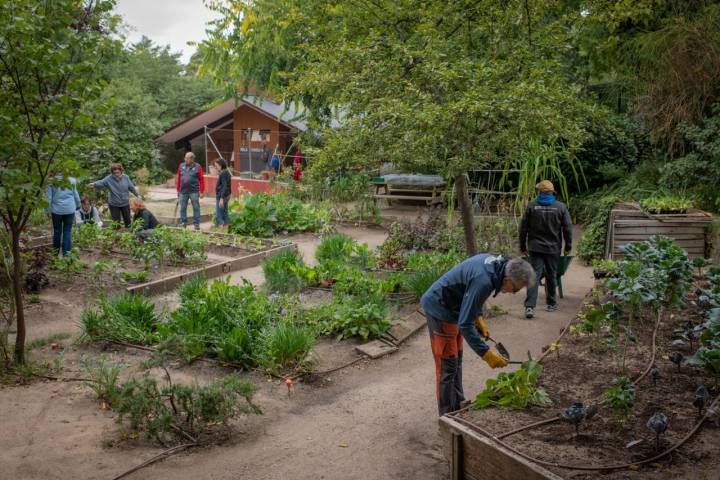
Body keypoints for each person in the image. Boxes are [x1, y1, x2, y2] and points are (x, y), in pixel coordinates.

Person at [421, 254, 536, 415]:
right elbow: (465, 325)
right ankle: (446, 415)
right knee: (448, 366)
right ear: (508, 280)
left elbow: (471, 292)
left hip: (454, 309)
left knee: (456, 361)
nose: (514, 293)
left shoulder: (498, 267)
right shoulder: (485, 280)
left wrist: (478, 316)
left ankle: (458, 405)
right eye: (516, 289)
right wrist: (486, 353)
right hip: (439, 307)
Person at [518, 180, 573, 319]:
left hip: (535, 247)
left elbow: (523, 228)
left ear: (540, 192)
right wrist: (568, 246)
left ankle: (530, 307)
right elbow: (567, 228)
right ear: (552, 192)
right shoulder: (560, 207)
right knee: (552, 274)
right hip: (553, 248)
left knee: (534, 276)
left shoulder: (532, 206)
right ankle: (551, 304)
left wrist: (523, 246)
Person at [88, 163, 141, 228]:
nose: (116, 174)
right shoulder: (108, 179)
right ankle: (117, 236)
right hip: (114, 204)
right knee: (116, 224)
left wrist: (137, 195)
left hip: (125, 203)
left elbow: (131, 187)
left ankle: (128, 234)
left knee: (128, 222)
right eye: (114, 173)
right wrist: (94, 184)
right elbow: (101, 182)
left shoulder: (126, 177)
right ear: (112, 173)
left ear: (121, 171)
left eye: (118, 172)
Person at [46, 173, 81, 256]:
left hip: (56, 211)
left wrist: (47, 211)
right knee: (67, 231)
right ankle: (66, 254)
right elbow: (75, 194)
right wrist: (78, 205)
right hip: (69, 209)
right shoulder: (72, 180)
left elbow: (48, 198)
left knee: (57, 231)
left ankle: (55, 254)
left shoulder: (51, 181)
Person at [175, 152, 205, 230]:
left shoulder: (198, 167)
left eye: (187, 158)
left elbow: (201, 179)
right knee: (182, 208)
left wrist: (201, 191)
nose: (185, 159)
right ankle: (183, 223)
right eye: (185, 158)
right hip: (183, 191)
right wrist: (178, 190)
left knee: (196, 207)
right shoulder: (181, 166)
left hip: (194, 191)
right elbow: (178, 178)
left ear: (192, 159)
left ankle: (196, 224)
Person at [215, 158, 232, 229]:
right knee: (225, 211)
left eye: (216, 166)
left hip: (222, 196)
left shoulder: (223, 173)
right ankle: (226, 226)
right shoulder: (226, 172)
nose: (216, 168)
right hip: (226, 194)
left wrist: (221, 198)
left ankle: (221, 226)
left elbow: (225, 186)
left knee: (219, 212)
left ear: (221, 165)